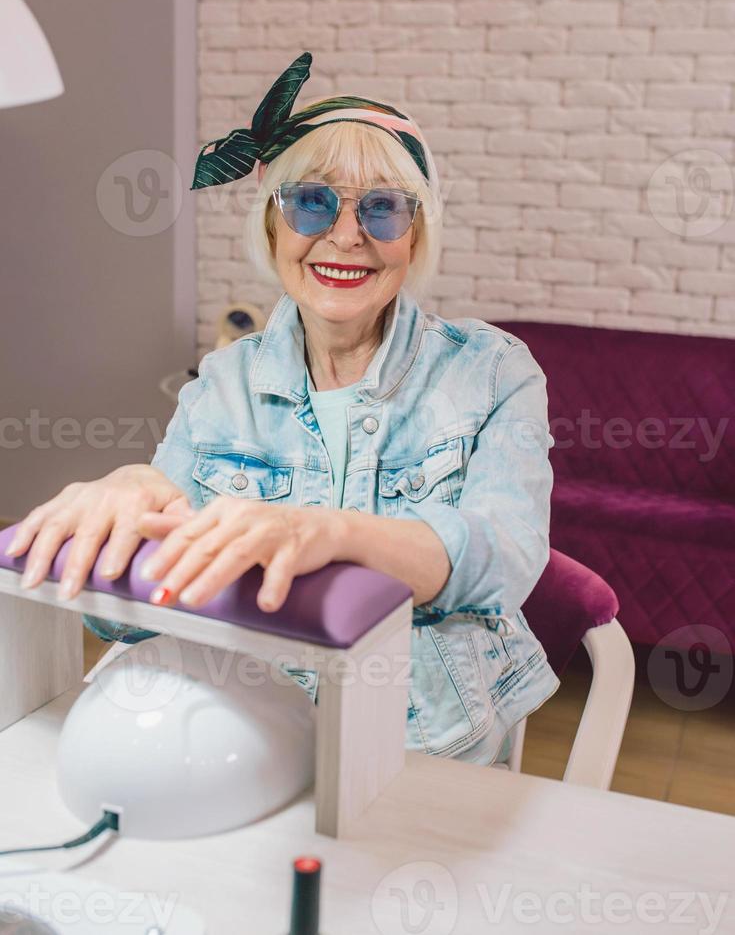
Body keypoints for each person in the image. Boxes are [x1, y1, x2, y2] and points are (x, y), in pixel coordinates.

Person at [6, 52, 560, 766]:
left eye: (382, 208)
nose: (345, 235)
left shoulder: (489, 370)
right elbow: (130, 626)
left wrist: (328, 531)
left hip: (427, 752)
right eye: (311, 202)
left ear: (416, 234)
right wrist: (129, 508)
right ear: (273, 225)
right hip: (244, 739)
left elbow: (502, 561)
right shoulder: (222, 383)